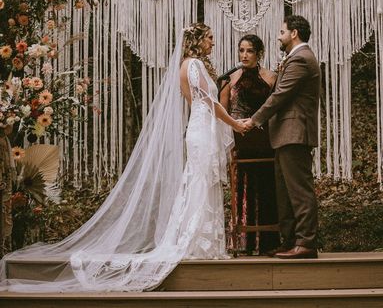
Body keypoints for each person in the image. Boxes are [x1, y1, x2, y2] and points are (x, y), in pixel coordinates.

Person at [1, 23, 246, 293]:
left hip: (199, 128)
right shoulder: (195, 65)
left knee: (200, 183)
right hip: (202, 129)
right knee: (200, 184)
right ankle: (198, 244)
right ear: (198, 41)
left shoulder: (185, 65)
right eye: (210, 38)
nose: (213, 43)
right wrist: (235, 124)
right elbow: (206, 102)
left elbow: (196, 103)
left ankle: (203, 243)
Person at [242, 15, 320, 259]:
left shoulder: (302, 59)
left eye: (282, 31)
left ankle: (306, 242)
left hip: (294, 133)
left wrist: (254, 120)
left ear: (294, 33)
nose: (279, 36)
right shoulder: (295, 59)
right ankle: (289, 241)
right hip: (285, 135)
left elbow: (280, 96)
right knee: (284, 192)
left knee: (299, 190)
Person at [219, 34, 279, 254]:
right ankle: (244, 242)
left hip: (266, 139)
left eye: (249, 51)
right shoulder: (230, 79)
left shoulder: (272, 78)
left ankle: (268, 243)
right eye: (241, 50)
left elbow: (277, 109)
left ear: (259, 53)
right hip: (241, 139)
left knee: (267, 187)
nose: (244, 55)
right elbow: (222, 113)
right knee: (242, 186)